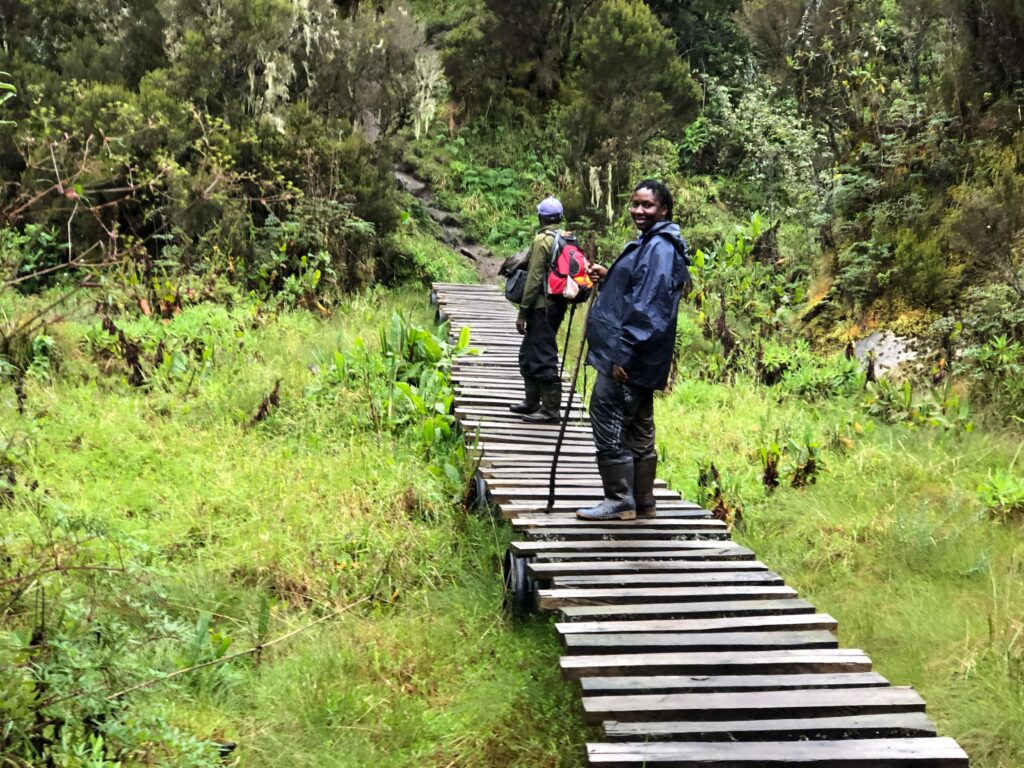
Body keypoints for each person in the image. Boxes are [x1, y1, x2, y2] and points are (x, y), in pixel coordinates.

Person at [577, 180, 690, 521]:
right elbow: (641, 286)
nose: (639, 211)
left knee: (608, 414)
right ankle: (644, 500)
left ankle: (618, 500)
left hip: (631, 355)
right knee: (639, 424)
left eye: (648, 206)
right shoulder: (655, 243)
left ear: (664, 209)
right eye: (635, 204)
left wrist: (621, 354)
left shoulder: (659, 246)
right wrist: (610, 275)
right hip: (646, 357)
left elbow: (649, 306)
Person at [510, 196, 569, 424]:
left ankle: (551, 410)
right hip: (556, 306)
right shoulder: (564, 238)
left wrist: (522, 311)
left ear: (541, 217)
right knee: (529, 352)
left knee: (544, 355)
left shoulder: (542, 240)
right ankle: (532, 402)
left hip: (540, 307)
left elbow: (534, 278)